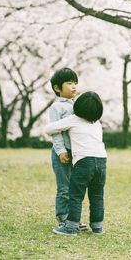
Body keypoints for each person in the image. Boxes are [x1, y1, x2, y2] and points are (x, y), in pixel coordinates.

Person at [44, 91, 107, 236]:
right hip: (102, 161)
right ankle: (97, 227)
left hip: (84, 162)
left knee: (76, 195)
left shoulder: (74, 119)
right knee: (97, 196)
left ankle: (71, 227)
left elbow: (48, 129)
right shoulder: (97, 123)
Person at [48, 68, 87, 231]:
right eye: (69, 83)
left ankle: (73, 219)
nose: (73, 87)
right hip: (62, 154)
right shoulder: (57, 107)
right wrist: (61, 151)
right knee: (64, 187)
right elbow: (55, 132)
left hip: (77, 152)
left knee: (75, 187)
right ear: (57, 88)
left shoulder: (76, 105)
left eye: (75, 83)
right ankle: (63, 217)